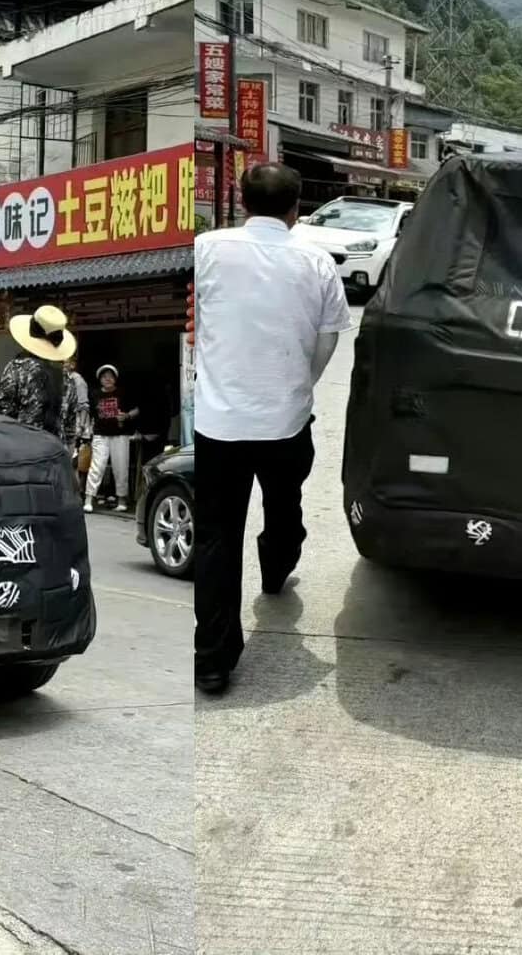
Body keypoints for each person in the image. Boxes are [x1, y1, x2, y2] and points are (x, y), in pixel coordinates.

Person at [192, 163, 350, 694]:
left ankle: (213, 659)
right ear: (296, 207)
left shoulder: (206, 249)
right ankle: (277, 567)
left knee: (217, 536)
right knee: (284, 504)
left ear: (241, 203)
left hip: (218, 424)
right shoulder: (317, 261)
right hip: (285, 419)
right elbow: (328, 339)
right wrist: (298, 387)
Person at [0, 304, 76, 439]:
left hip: (24, 444)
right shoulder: (67, 377)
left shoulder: (17, 368)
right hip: (55, 448)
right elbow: (70, 421)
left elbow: (2, 409)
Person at [84, 364, 138, 513]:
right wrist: (86, 430)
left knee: (121, 467)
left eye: (110, 376)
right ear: (100, 379)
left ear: (115, 379)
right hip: (100, 434)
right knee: (97, 466)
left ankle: (121, 500)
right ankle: (89, 499)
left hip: (120, 435)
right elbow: (89, 414)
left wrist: (127, 416)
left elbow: (137, 410)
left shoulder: (123, 393)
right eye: (104, 376)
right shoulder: (94, 394)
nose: (107, 379)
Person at [62, 356, 92, 477]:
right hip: (64, 425)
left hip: (75, 425)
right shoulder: (61, 379)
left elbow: (83, 405)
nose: (62, 365)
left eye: (64, 362)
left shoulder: (77, 380)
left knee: (73, 461)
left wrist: (81, 427)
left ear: (72, 365)